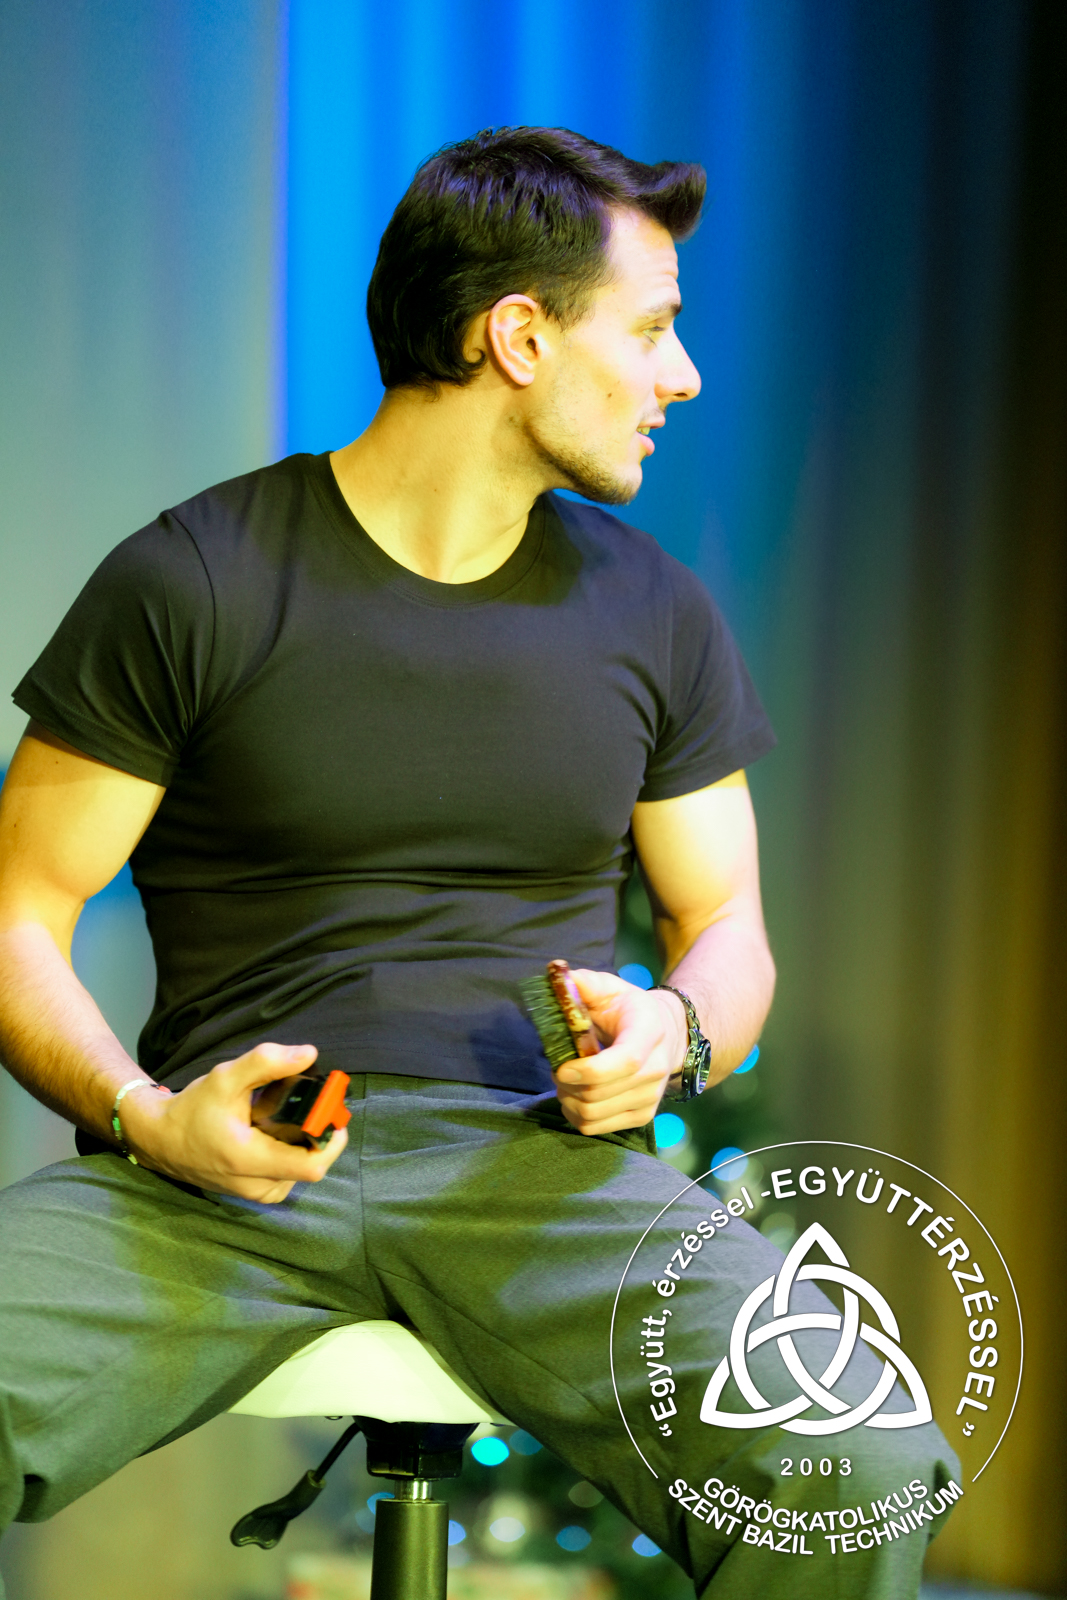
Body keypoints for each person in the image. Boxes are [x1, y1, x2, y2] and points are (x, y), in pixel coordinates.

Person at [0, 128, 954, 1596]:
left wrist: (679, 1029)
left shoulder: (656, 611)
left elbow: (726, 922)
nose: (684, 375)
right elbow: (21, 913)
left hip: (539, 1177)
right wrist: (145, 1118)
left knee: (857, 1467)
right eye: (653, 328)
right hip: (216, 1178)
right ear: (518, 337)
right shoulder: (192, 578)